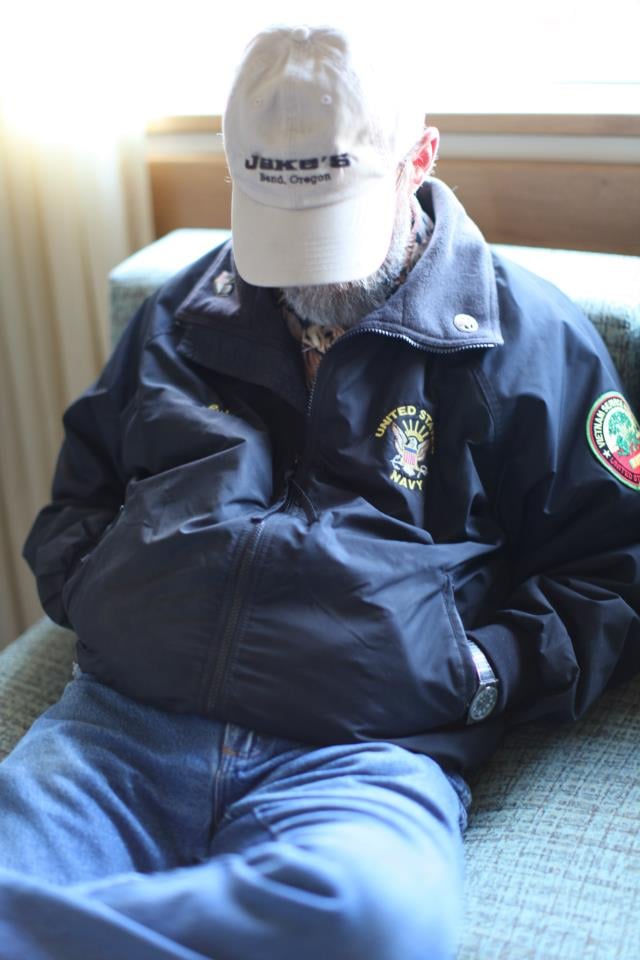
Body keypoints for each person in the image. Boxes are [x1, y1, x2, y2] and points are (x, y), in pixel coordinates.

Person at [2, 23, 640, 960]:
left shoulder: (530, 344)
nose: (306, 271)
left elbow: (608, 567)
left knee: (374, 923)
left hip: (362, 756)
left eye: (331, 224)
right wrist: (106, 596)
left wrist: (476, 674)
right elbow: (80, 496)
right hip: (121, 731)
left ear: (418, 160)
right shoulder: (182, 313)